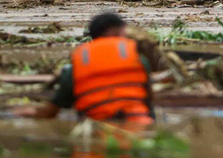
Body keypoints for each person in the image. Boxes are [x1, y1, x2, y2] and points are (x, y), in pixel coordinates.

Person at [15, 13, 154, 124]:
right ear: (116, 31)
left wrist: (33, 113)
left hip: (96, 127)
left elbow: (52, 110)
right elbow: (148, 101)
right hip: (139, 122)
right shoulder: (138, 59)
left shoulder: (80, 62)